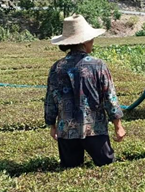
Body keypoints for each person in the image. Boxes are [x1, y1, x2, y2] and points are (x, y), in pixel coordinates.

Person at [45, 14, 125, 168]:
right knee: (106, 166)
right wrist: (118, 126)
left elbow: (50, 99)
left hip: (66, 131)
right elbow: (110, 97)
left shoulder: (56, 67)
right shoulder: (98, 65)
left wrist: (52, 125)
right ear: (85, 41)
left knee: (70, 171)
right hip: (95, 129)